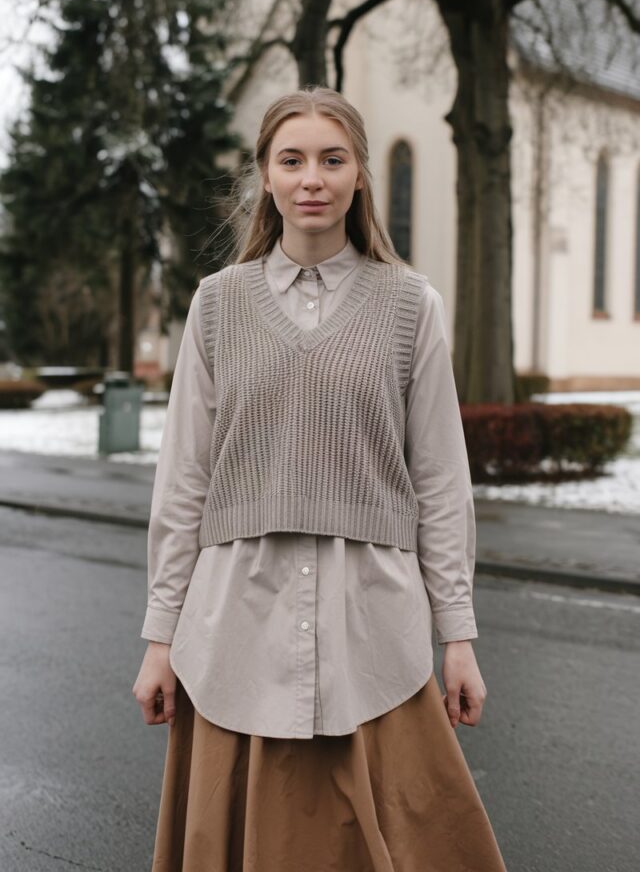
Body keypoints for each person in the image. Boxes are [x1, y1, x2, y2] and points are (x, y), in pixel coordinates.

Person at [132, 85, 507, 871]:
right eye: (291, 159)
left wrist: (459, 638)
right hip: (235, 625)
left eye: (332, 159)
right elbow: (184, 485)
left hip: (374, 633)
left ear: (360, 175)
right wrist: (159, 640)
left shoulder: (412, 308)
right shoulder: (215, 308)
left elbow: (440, 481)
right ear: (264, 176)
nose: (313, 178)